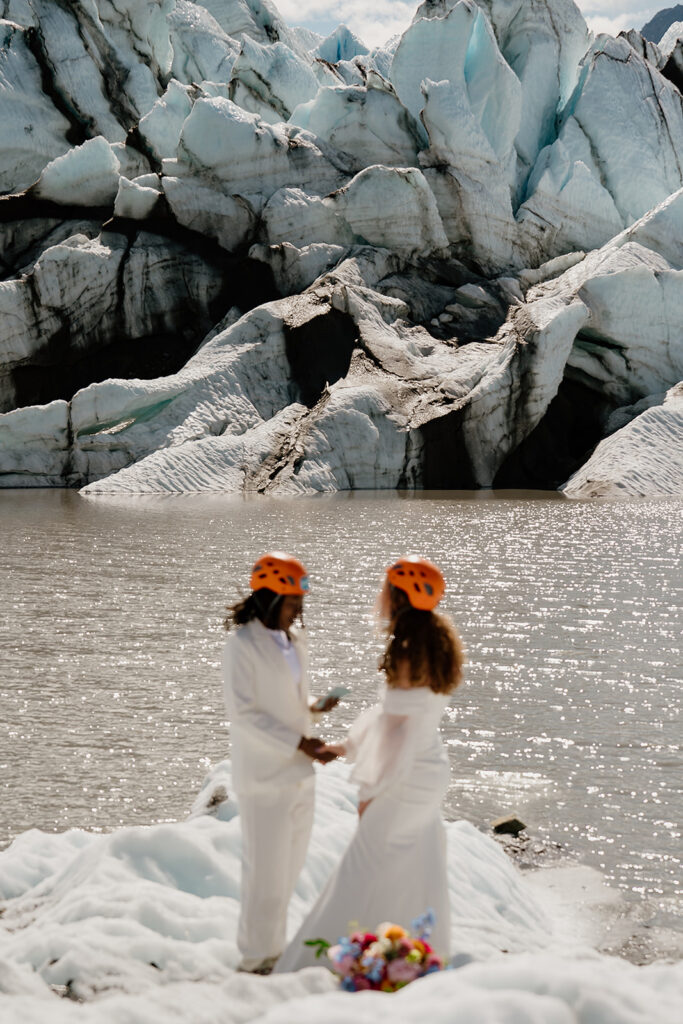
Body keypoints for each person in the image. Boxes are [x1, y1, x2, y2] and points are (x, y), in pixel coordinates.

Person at [275, 555, 464, 973]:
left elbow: (394, 731)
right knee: (419, 865)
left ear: (398, 594)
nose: (379, 595)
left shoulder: (406, 648)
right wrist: (344, 748)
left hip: (405, 775)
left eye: (385, 587)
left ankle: (326, 963)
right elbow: (398, 720)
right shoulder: (438, 640)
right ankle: (415, 955)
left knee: (361, 868)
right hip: (429, 769)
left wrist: (371, 793)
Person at [222, 552, 338, 975]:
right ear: (268, 598)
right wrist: (299, 741)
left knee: (288, 871)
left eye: (299, 604)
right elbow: (245, 713)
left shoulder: (293, 642)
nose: (297, 612)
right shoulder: (242, 645)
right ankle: (255, 958)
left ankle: (275, 951)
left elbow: (285, 701)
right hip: (264, 776)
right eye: (291, 604)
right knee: (263, 873)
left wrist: (315, 707)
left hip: (298, 775)